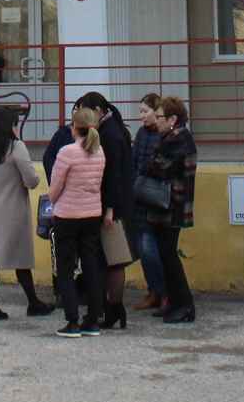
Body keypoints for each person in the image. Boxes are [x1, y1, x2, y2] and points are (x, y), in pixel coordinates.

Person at [0, 106, 53, 320]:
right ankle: (33, 302)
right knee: (21, 257)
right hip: (13, 210)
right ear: (11, 126)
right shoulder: (16, 147)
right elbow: (31, 180)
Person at [47, 106, 108, 337]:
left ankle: (72, 320)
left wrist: (52, 201)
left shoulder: (67, 152)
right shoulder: (99, 151)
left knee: (65, 268)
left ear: (74, 127)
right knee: (91, 266)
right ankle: (92, 319)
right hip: (92, 214)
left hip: (67, 215)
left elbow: (55, 186)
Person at [77, 92, 135, 329]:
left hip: (111, 206)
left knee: (110, 260)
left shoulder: (109, 134)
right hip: (118, 203)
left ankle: (111, 308)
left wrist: (109, 209)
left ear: (98, 111)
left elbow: (113, 175)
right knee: (113, 259)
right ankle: (113, 308)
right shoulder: (115, 128)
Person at [143, 94, 199, 324]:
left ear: (173, 119)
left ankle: (185, 305)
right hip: (166, 204)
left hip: (173, 205)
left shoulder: (178, 139)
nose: (156, 121)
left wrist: (152, 162)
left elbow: (159, 168)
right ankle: (175, 303)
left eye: (160, 117)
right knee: (165, 255)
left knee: (169, 255)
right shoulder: (169, 138)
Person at [130, 94, 166, 311]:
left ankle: (164, 292)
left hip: (158, 199)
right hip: (140, 197)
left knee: (154, 250)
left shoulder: (164, 134)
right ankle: (154, 291)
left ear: (156, 111)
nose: (141, 116)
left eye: (145, 111)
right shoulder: (142, 133)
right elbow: (134, 161)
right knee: (144, 250)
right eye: (140, 111)